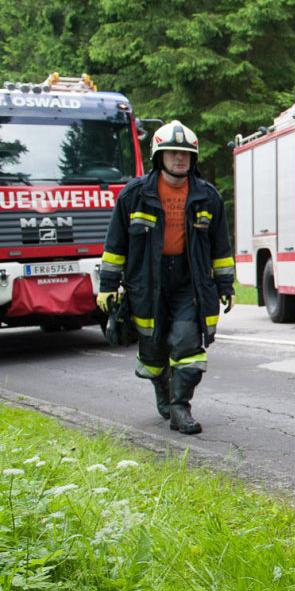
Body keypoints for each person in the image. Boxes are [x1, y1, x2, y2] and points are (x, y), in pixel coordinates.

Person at [95, 121, 233, 435]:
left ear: (193, 158)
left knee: (187, 343)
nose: (179, 159)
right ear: (160, 156)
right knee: (154, 351)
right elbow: (115, 245)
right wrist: (107, 287)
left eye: (185, 154)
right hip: (147, 285)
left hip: (190, 284)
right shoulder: (135, 194)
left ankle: (180, 406)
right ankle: (163, 389)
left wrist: (226, 285)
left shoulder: (207, 196)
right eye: (172, 153)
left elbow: (220, 247)